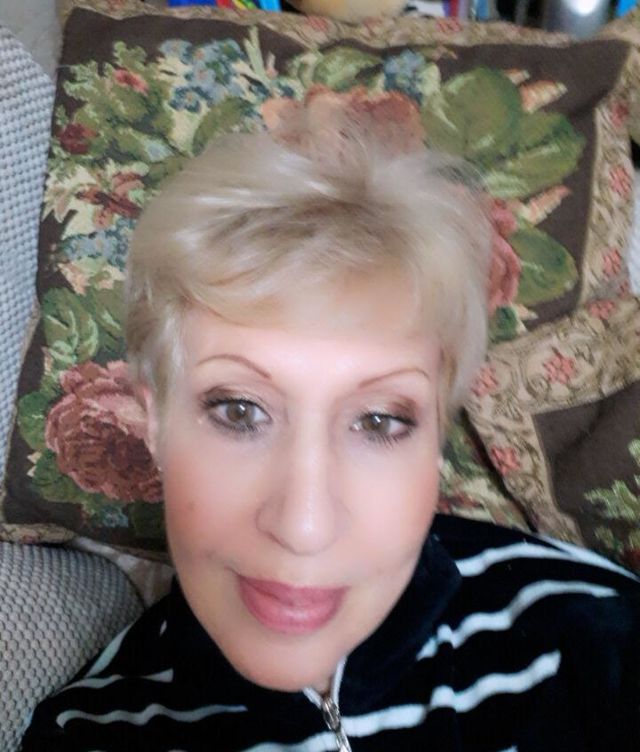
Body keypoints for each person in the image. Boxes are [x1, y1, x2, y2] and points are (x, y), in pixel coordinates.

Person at [22, 117, 640, 751]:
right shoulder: (85, 733)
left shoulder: (597, 640)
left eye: (378, 421)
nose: (304, 527)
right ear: (153, 424)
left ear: (436, 439)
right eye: (239, 412)